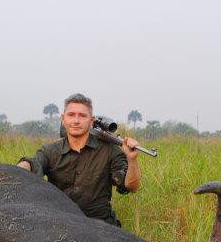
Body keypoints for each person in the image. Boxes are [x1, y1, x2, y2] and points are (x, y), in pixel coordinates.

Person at [17, 93, 141, 227]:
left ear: (91, 121)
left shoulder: (110, 151)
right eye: (71, 115)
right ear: (63, 119)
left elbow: (131, 186)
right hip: (61, 224)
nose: (76, 120)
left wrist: (132, 159)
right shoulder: (50, 151)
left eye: (82, 116)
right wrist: (20, 167)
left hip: (101, 225)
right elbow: (33, 163)